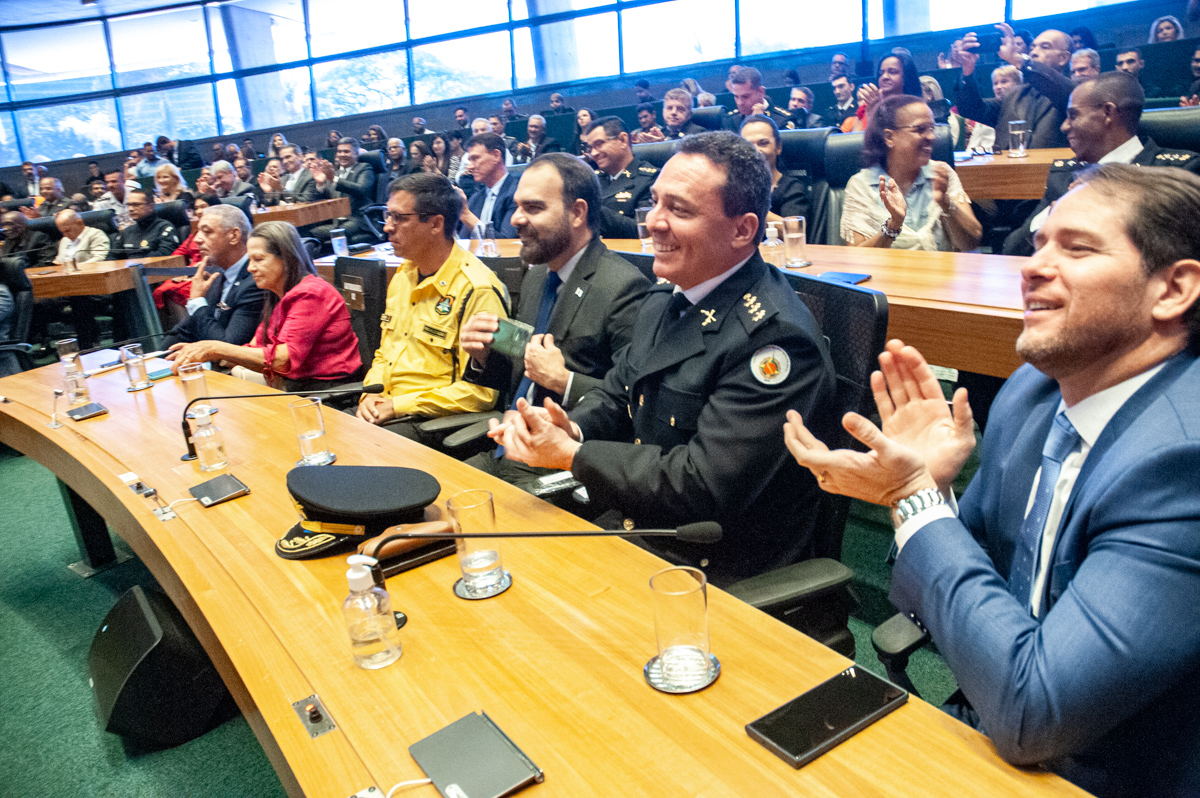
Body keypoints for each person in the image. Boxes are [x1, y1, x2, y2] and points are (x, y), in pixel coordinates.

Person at [781, 163, 1200, 796]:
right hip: (983, 731)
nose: (1032, 267)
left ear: (1173, 290)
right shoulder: (1034, 392)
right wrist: (931, 491)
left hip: (1104, 772)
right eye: (1038, 243)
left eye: (1077, 248)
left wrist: (912, 499)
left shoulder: (1183, 461)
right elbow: (959, 586)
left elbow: (1036, 712)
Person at [487, 131, 837, 586]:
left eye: (680, 209)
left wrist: (574, 454)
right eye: (654, 202)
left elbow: (702, 485)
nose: (653, 222)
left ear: (743, 229)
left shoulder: (776, 341)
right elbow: (618, 394)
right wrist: (568, 425)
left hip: (712, 564)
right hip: (641, 524)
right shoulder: (665, 298)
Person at [460, 153, 650, 484]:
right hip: (506, 444)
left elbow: (639, 404)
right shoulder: (536, 276)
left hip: (560, 465)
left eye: (533, 208)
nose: (516, 219)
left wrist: (564, 381)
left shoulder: (623, 287)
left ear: (577, 212)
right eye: (517, 206)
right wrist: (482, 357)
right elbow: (522, 375)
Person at [356, 173, 509, 436]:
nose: (387, 227)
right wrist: (371, 395)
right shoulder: (404, 276)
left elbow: (483, 393)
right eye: (387, 215)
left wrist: (398, 405)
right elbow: (385, 354)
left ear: (436, 224)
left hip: (430, 420)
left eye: (399, 218)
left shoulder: (477, 288)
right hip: (385, 408)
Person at [1003, 72, 1200, 256]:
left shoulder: (1176, 172)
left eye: (1073, 115)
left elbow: (1170, 254)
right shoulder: (1064, 175)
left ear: (1107, 112)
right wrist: (1052, 214)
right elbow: (1012, 250)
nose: (1064, 126)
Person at [167, 222, 360, 390]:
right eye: (249, 260)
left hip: (326, 391)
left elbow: (283, 360)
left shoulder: (311, 294)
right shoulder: (279, 295)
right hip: (296, 386)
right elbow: (255, 350)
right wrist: (203, 352)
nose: (250, 268)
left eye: (258, 259)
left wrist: (214, 349)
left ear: (286, 258)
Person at [841, 94, 981, 251]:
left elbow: (972, 243)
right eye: (920, 129)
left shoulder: (941, 174)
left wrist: (947, 205)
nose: (931, 136)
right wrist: (892, 226)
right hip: (887, 275)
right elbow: (856, 255)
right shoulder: (861, 185)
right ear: (889, 137)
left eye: (932, 129)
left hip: (941, 273)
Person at [955, 25, 1068, 150]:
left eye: (1044, 47)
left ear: (1063, 58)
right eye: (1032, 47)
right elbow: (971, 109)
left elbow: (1057, 86)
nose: (1034, 52)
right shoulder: (1013, 94)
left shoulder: (1076, 93)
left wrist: (1016, 59)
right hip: (1008, 168)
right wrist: (968, 70)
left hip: (1052, 167)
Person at [170, 203, 266, 347]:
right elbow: (187, 330)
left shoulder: (256, 281)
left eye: (207, 232)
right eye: (198, 232)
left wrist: (197, 301)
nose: (197, 239)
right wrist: (155, 358)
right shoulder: (217, 274)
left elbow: (229, 347)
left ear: (234, 236)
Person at [583, 116, 658, 239]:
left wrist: (591, 208)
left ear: (623, 140)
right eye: (590, 148)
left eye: (599, 144)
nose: (593, 154)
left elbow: (644, 230)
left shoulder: (650, 179)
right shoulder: (591, 179)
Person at [154, 193, 220, 327]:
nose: (200, 211)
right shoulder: (194, 232)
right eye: (197, 207)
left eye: (203, 206)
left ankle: (191, 327)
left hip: (210, 271)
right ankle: (181, 329)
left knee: (177, 290)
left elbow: (217, 256)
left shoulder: (219, 230)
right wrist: (180, 271)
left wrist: (190, 271)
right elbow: (179, 253)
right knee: (163, 289)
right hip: (191, 271)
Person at [739, 115, 810, 221]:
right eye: (748, 146)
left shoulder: (791, 188)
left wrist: (748, 207)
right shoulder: (733, 185)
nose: (755, 151)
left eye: (763, 143)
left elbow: (794, 229)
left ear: (778, 147)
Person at [311, 137, 377, 243]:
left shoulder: (364, 168)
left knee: (338, 233)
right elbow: (327, 198)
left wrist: (333, 179)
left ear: (356, 154)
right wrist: (320, 184)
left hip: (359, 220)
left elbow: (362, 189)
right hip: (338, 221)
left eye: (346, 151)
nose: (342, 154)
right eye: (339, 151)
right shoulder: (335, 173)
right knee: (312, 234)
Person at [456, 132, 519, 238]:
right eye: (469, 160)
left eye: (475, 158)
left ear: (496, 155)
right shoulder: (475, 198)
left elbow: (507, 244)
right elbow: (463, 241)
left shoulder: (517, 193)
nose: (470, 167)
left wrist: (467, 216)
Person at [845, 51, 922, 132]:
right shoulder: (866, 108)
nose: (884, 77)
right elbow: (856, 141)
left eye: (892, 72)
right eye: (881, 73)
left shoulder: (917, 109)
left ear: (906, 77)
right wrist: (873, 111)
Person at [113, 189, 180, 258]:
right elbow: (113, 255)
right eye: (129, 204)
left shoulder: (164, 228)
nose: (130, 209)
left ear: (150, 207)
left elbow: (165, 255)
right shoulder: (127, 231)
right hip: (129, 267)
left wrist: (135, 260)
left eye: (136, 205)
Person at [723, 66, 792, 131]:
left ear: (761, 92)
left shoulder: (783, 120)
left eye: (745, 97)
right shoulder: (730, 120)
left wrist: (759, 122)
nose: (739, 102)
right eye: (736, 96)